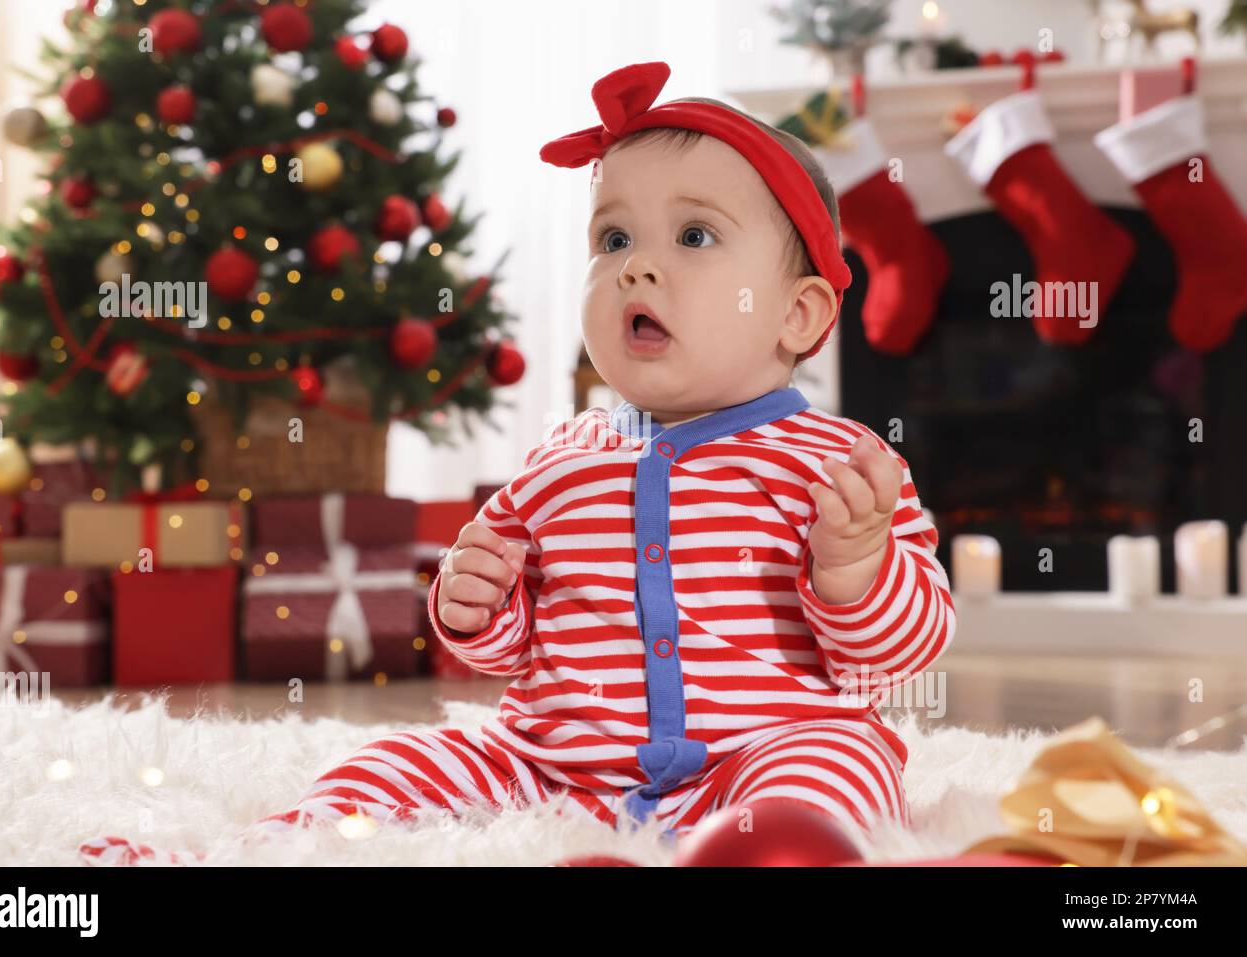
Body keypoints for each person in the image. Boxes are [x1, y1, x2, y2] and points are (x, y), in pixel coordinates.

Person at [79, 61, 955, 867]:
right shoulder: (561, 459)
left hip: (761, 751)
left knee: (836, 767)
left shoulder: (843, 465)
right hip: (558, 767)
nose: (637, 268)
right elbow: (514, 645)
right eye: (612, 241)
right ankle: (252, 852)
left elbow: (899, 654)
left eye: (693, 237)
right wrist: (475, 606)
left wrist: (855, 571)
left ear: (799, 316)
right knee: (405, 759)